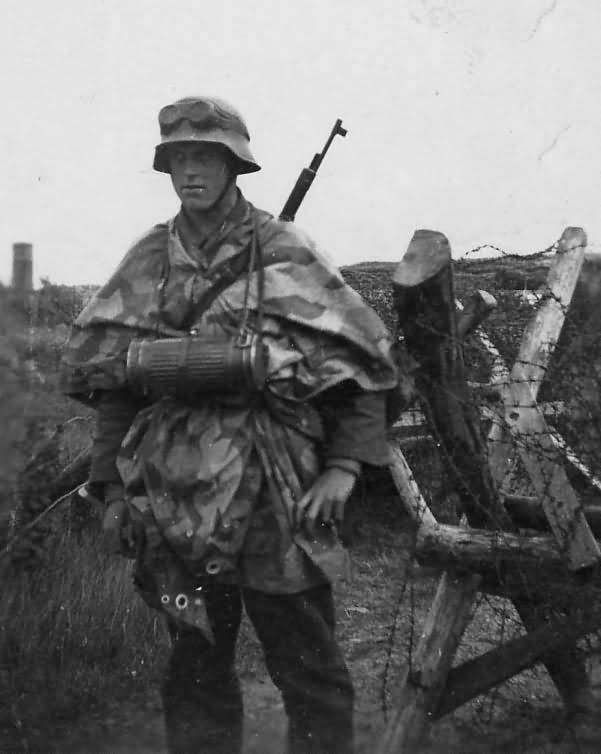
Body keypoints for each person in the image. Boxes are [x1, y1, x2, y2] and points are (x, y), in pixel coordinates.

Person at [61, 96, 403, 754]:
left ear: (234, 165)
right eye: (180, 158)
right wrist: (107, 487)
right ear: (166, 168)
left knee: (306, 662)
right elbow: (112, 382)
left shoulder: (284, 248)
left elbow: (363, 365)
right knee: (193, 661)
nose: (192, 171)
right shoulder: (148, 260)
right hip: (173, 496)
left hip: (276, 489)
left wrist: (342, 466)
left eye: (206, 157)